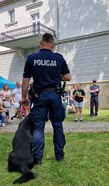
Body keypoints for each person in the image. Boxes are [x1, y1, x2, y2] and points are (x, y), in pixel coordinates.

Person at [22, 32, 71, 165]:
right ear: (52, 44)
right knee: (58, 125)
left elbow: (25, 80)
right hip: (55, 96)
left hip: (39, 96)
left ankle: (38, 158)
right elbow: (68, 77)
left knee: (38, 127)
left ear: (41, 43)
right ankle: (59, 155)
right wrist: (56, 76)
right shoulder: (58, 58)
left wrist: (24, 98)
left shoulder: (32, 58)